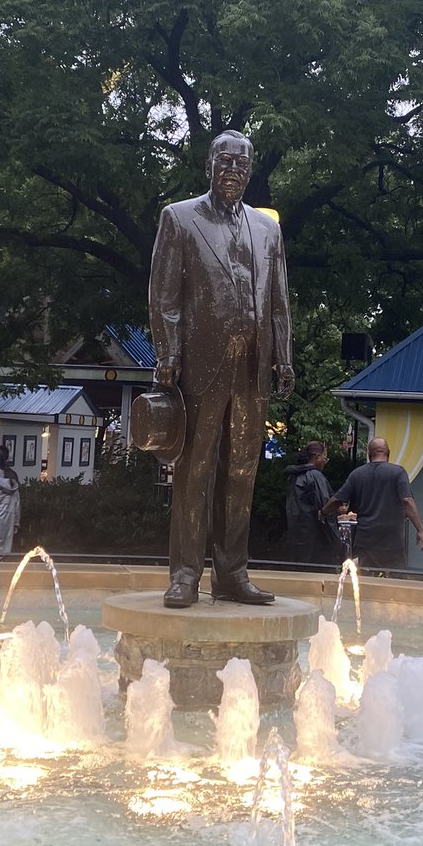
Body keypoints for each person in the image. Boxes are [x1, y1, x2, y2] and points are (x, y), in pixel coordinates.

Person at [149, 129, 294, 607]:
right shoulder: (180, 218)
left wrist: (284, 356)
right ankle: (186, 574)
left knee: (242, 472)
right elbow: (164, 294)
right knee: (194, 471)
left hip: (252, 368)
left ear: (251, 173)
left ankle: (232, 573)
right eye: (224, 162)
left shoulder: (268, 229)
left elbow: (278, 300)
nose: (233, 170)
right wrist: (168, 354)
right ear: (208, 165)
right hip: (200, 365)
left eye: (242, 164)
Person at [320, 437, 423, 573]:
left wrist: (323, 513)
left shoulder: (357, 474)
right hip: (392, 541)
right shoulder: (398, 472)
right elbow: (407, 500)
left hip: (365, 540)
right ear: (388, 453)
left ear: (369, 454)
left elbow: (337, 500)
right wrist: (420, 529)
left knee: (364, 582)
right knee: (397, 584)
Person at [284, 441, 340, 564]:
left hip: (297, 531)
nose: (325, 462)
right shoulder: (315, 476)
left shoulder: (294, 475)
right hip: (315, 535)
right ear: (317, 456)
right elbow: (325, 506)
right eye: (325, 458)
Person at [0, 445, 21, 555]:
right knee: (5, 551)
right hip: (9, 520)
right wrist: (16, 522)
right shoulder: (12, 481)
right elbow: (17, 504)